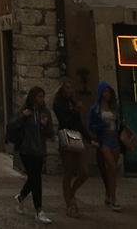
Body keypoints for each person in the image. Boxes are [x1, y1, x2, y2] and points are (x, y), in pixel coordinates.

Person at [10, 86, 54, 224]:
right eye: (39, 96)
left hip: (39, 150)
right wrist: (24, 116)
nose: (42, 99)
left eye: (43, 96)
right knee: (36, 179)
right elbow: (12, 124)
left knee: (34, 178)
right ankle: (39, 210)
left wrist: (46, 127)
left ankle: (21, 197)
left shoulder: (45, 113)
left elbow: (49, 131)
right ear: (33, 97)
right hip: (26, 150)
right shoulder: (25, 111)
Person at [52, 79, 90, 217]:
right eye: (67, 88)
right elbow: (65, 121)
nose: (70, 90)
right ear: (62, 90)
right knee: (68, 171)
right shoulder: (59, 104)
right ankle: (69, 204)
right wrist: (75, 110)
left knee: (84, 171)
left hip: (77, 137)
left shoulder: (73, 103)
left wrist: (90, 138)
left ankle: (71, 193)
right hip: (66, 137)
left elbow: (78, 123)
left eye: (71, 88)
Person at [88, 81, 122, 212]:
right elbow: (91, 126)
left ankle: (109, 195)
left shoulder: (114, 107)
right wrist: (103, 126)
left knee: (112, 171)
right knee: (112, 167)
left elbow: (119, 122)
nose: (107, 94)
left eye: (109, 92)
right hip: (104, 141)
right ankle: (113, 199)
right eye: (105, 92)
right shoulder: (95, 109)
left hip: (114, 140)